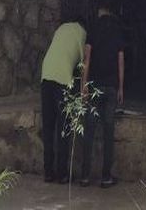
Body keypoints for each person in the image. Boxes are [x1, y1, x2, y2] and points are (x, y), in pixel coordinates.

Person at [79, 0, 125, 188]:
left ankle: (84, 176)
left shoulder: (93, 28)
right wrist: (121, 87)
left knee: (88, 131)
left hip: (95, 85)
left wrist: (83, 84)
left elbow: (87, 58)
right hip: (111, 86)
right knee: (108, 132)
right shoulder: (117, 29)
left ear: (100, 10)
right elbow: (120, 59)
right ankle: (106, 176)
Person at [40, 15, 86, 184]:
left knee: (48, 126)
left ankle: (48, 172)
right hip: (62, 79)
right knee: (64, 127)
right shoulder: (82, 33)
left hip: (46, 74)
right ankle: (62, 174)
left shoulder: (61, 28)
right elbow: (82, 64)